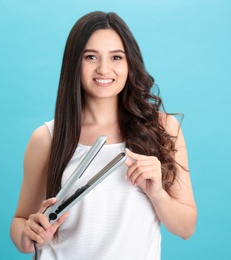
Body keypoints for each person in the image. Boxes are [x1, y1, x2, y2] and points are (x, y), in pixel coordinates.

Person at [10, 11, 197, 259]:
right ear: (74, 63)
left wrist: (157, 194)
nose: (104, 69)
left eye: (116, 57)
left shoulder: (163, 128)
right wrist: (27, 234)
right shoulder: (47, 138)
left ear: (130, 62)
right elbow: (20, 221)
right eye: (90, 57)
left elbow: (186, 228)